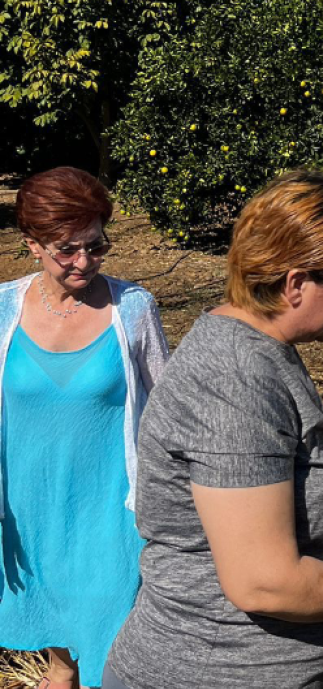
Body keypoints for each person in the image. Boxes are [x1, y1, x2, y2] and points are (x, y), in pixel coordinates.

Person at [105, 171, 323, 689]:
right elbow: (263, 581)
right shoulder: (235, 379)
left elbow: (248, 503)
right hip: (212, 673)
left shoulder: (260, 351)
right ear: (296, 284)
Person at [0, 167, 169, 689]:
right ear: (32, 245)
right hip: (28, 500)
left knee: (109, 625)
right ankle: (61, 671)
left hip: (109, 504)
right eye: (67, 250)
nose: (84, 262)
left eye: (96, 246)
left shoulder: (132, 308)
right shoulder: (3, 308)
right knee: (53, 613)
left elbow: (167, 404)